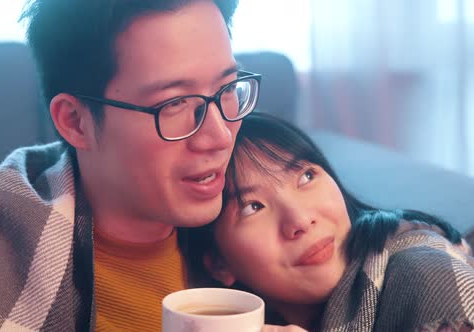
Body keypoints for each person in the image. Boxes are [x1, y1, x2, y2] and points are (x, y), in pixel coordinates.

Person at [0, 0, 265, 330]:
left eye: (228, 89)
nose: (220, 136)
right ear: (75, 121)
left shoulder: (267, 202)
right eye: (175, 104)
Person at [189, 112, 474, 331]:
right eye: (253, 207)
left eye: (306, 176)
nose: (301, 219)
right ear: (218, 263)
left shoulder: (424, 271)